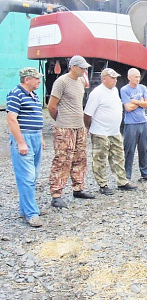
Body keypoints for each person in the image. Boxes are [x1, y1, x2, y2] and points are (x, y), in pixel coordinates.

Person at [48, 55, 95, 208]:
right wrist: (61, 121)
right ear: (73, 67)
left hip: (79, 126)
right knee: (62, 159)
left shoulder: (81, 81)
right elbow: (52, 106)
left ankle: (78, 188)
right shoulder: (61, 82)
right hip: (65, 127)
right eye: (82, 68)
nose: (84, 70)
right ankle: (56, 194)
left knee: (80, 158)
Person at [84, 68, 138, 195]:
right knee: (100, 159)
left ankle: (122, 182)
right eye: (112, 78)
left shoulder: (115, 90)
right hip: (100, 132)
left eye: (116, 78)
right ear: (104, 79)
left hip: (114, 131)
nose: (115, 80)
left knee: (118, 157)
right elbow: (87, 114)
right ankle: (102, 184)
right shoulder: (96, 93)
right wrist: (91, 128)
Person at [6, 68, 45, 227]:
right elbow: (11, 119)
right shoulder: (15, 94)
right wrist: (21, 142)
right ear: (27, 79)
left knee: (32, 176)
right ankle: (31, 213)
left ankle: (25, 208)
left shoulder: (33, 95)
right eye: (36, 79)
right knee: (27, 177)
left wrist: (40, 137)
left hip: (35, 137)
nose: (39, 82)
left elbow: (36, 117)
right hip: (25, 137)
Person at [120, 68, 147, 181]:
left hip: (142, 122)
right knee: (129, 149)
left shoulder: (142, 88)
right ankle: (126, 175)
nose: (138, 79)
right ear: (129, 77)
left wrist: (135, 101)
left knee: (144, 148)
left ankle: (145, 173)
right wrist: (141, 102)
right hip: (130, 124)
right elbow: (128, 108)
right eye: (135, 77)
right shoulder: (124, 90)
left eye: (139, 77)